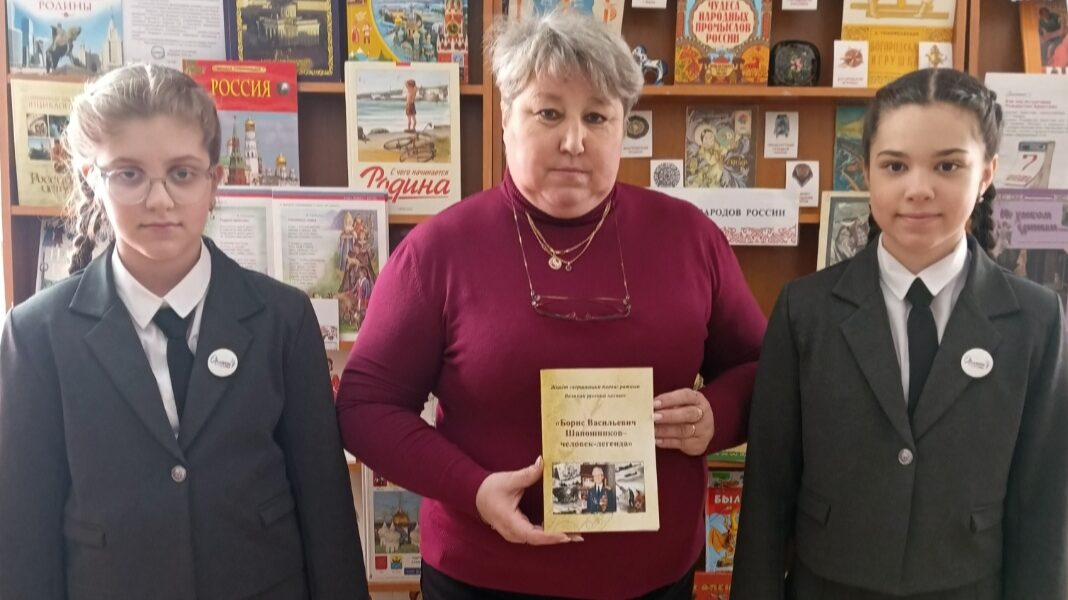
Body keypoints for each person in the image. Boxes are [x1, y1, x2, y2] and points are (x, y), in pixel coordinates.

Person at [337, 11, 765, 598]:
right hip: (483, 576)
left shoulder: (691, 238)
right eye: (549, 113)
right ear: (506, 119)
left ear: (623, 125)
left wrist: (717, 415)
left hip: (654, 579)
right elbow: (365, 406)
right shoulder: (437, 251)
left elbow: (760, 367)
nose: (574, 141)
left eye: (597, 116)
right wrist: (472, 488)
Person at [0, 64, 367, 599]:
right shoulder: (36, 335)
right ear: (91, 178)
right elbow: (23, 532)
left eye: (182, 173)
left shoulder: (282, 319)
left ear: (214, 182)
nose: (159, 200)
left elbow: (325, 511)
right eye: (129, 174)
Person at [732, 68, 1068, 600]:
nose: (918, 189)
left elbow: (1042, 510)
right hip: (828, 585)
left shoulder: (1035, 319)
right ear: (866, 171)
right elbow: (767, 493)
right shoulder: (805, 310)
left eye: (947, 165)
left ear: (986, 173)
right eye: (895, 165)